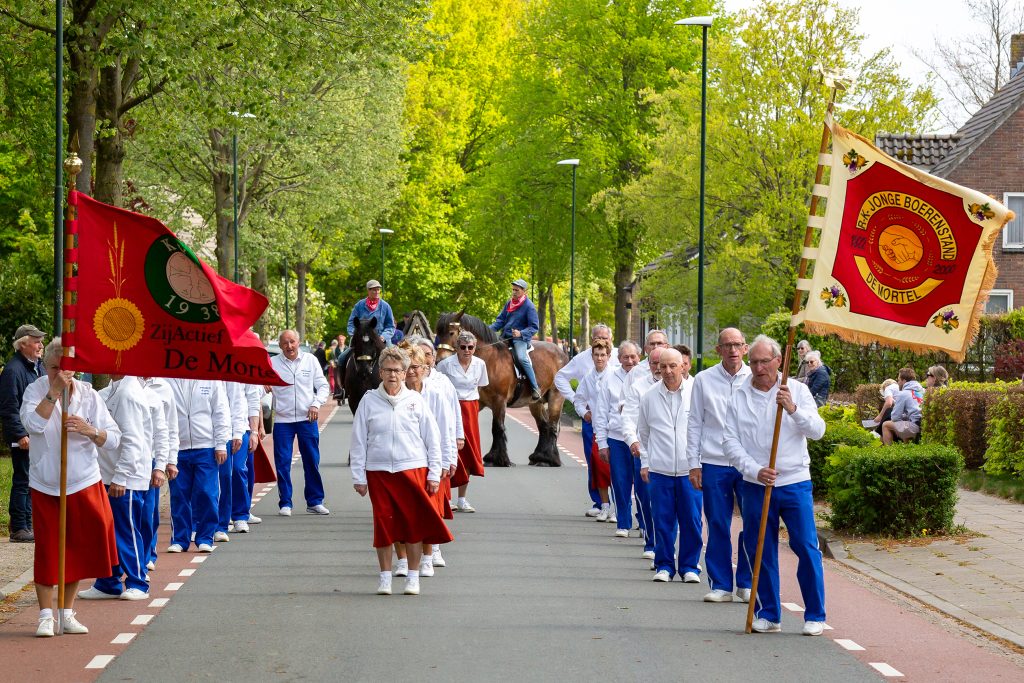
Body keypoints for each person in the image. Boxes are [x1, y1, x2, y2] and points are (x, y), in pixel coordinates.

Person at [723, 334, 827, 636]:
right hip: (755, 484)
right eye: (753, 362)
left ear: (778, 361)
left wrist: (793, 408)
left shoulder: (796, 390)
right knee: (759, 548)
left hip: (794, 482)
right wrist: (754, 470)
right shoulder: (739, 395)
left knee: (806, 546)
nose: (757, 368)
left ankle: (815, 614)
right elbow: (730, 441)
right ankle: (768, 613)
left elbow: (818, 430)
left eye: (764, 362)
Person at [21, 337, 121, 637]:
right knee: (49, 549)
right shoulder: (35, 389)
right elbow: (32, 425)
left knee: (77, 548)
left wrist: (91, 431)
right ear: (46, 365)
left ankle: (66, 612)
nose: (62, 375)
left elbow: (114, 438)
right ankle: (45, 615)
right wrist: (53, 392)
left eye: (67, 369)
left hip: (83, 480)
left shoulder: (89, 394)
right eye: (54, 368)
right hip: (46, 483)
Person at [350, 346, 453, 596]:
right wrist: (358, 476)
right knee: (384, 524)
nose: (392, 375)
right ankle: (385, 577)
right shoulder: (368, 400)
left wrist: (433, 473)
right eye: (387, 370)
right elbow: (358, 440)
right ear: (380, 372)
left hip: (412, 469)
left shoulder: (416, 401)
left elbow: (432, 437)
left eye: (397, 370)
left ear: (406, 372)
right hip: (379, 471)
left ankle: (413, 577)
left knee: (412, 525)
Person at [80, 375, 165, 600]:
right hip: (109, 473)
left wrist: (121, 476)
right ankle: (108, 581)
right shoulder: (112, 390)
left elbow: (134, 440)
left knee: (126, 531)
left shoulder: (128, 394)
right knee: (107, 531)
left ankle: (138, 581)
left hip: (125, 477)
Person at [686, 328, 753, 603]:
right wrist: (694, 463)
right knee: (717, 522)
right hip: (714, 461)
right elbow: (694, 423)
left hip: (748, 463)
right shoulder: (703, 380)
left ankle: (747, 582)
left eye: (737, 345)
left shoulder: (756, 379)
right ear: (718, 350)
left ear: (746, 348)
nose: (733, 350)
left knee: (753, 522)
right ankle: (721, 584)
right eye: (727, 345)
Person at [637, 347, 701, 584]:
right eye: (662, 366)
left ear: (683, 366)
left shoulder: (696, 392)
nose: (667, 371)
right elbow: (643, 433)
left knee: (692, 521)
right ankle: (664, 565)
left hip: (689, 470)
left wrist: (699, 463)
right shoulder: (649, 396)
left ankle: (690, 566)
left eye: (673, 365)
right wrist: (648, 461)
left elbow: (703, 429)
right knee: (662, 520)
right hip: (660, 470)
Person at [554, 323, 621, 516]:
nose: (601, 345)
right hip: (592, 420)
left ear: (611, 340)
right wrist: (580, 405)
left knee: (616, 464)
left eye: (605, 338)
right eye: (596, 339)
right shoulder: (583, 358)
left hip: (615, 422)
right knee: (595, 461)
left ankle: (618, 506)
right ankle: (599, 502)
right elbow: (560, 378)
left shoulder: (620, 357)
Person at [267, 330, 331, 516]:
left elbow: (323, 386)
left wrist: (316, 404)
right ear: (280, 346)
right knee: (283, 462)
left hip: (307, 419)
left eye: (292, 342)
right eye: (285, 343)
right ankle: (285, 503)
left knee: (311, 460)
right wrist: (263, 385)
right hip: (283, 420)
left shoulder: (310, 360)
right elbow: (261, 388)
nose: (289, 346)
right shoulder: (272, 363)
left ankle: (315, 501)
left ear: (299, 342)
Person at [167, 378, 230, 553]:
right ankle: (180, 539)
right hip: (178, 447)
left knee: (207, 493)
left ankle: (205, 537)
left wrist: (221, 444)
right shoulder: (167, 379)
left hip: (206, 446)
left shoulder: (211, 379)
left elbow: (220, 411)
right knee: (179, 495)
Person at [414, 335, 461, 569]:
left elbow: (452, 415)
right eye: (420, 356)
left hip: (438, 451)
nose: (426, 360)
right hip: (414, 454)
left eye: (428, 355)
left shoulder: (442, 382)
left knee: (437, 501)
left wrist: (457, 440)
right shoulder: (405, 382)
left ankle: (435, 548)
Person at [1, 324, 45, 542]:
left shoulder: (38, 367)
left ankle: (27, 525)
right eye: (36, 341)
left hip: (36, 434)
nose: (40, 345)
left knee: (31, 479)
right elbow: (9, 406)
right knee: (23, 479)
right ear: (23, 344)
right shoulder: (13, 370)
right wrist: (20, 434)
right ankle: (19, 527)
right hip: (25, 437)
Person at [436, 331, 488, 512]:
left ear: (475, 348)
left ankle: (462, 498)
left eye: (471, 347)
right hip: (450, 407)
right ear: (456, 348)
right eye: (463, 347)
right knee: (449, 450)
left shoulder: (480, 364)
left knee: (468, 453)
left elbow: (480, 386)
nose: (467, 350)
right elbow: (437, 385)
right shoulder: (445, 365)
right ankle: (445, 496)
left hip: (471, 408)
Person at [594, 340, 642, 539]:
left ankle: (644, 522)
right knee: (620, 482)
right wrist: (602, 443)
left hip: (641, 440)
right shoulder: (609, 379)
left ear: (639, 357)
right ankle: (623, 522)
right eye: (625, 357)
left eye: (633, 357)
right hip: (617, 438)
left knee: (643, 484)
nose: (629, 361)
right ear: (619, 358)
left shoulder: (648, 376)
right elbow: (601, 413)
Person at [139, 376, 178, 572]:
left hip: (152, 457)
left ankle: (146, 555)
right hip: (125, 459)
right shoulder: (119, 386)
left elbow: (169, 428)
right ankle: (134, 561)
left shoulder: (163, 388)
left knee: (148, 512)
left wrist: (168, 461)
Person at [574, 339, 614, 521]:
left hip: (615, 430)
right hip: (598, 431)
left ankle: (618, 508)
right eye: (596, 355)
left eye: (603, 355)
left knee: (616, 471)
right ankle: (604, 506)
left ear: (609, 356)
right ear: (592, 357)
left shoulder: (615, 375)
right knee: (599, 469)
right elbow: (579, 399)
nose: (600, 358)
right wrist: (584, 412)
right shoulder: (588, 377)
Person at [490, 278, 542, 401]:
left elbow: (534, 327)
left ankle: (535, 388)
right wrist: (487, 329)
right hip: (505, 336)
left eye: (516, 290)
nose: (514, 292)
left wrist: (521, 333)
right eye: (513, 290)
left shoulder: (529, 306)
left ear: (524, 291)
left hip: (520, 339)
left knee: (521, 357)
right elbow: (500, 321)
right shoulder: (509, 303)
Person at [215, 382, 251, 540]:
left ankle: (240, 516)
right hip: (213, 432)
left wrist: (238, 432)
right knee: (218, 478)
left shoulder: (233, 374)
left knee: (235, 471)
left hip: (236, 430)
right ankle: (215, 521)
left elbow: (239, 402)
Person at [881, 367, 925, 445]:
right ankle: (907, 450)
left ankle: (889, 453)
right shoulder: (923, 391)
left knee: (886, 425)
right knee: (904, 424)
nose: (898, 383)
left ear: (904, 381)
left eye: (898, 380)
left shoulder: (903, 394)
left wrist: (904, 417)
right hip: (924, 424)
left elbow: (895, 417)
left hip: (915, 426)